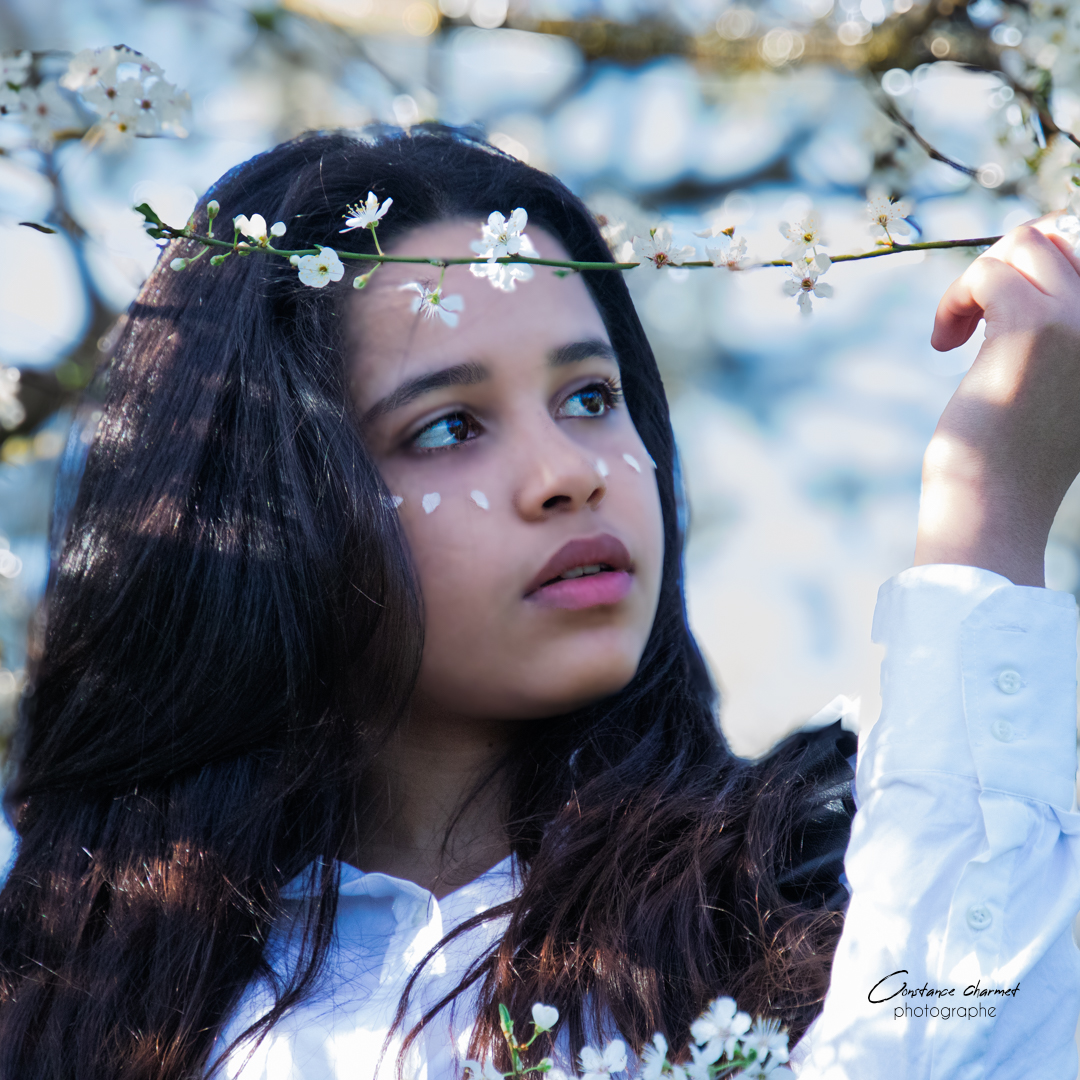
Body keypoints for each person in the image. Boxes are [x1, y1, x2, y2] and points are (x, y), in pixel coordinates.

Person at [0, 126, 1078, 1080]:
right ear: (267, 506)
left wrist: (988, 519)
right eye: (449, 426)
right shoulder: (63, 988)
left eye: (591, 397)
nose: (570, 472)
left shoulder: (824, 884)